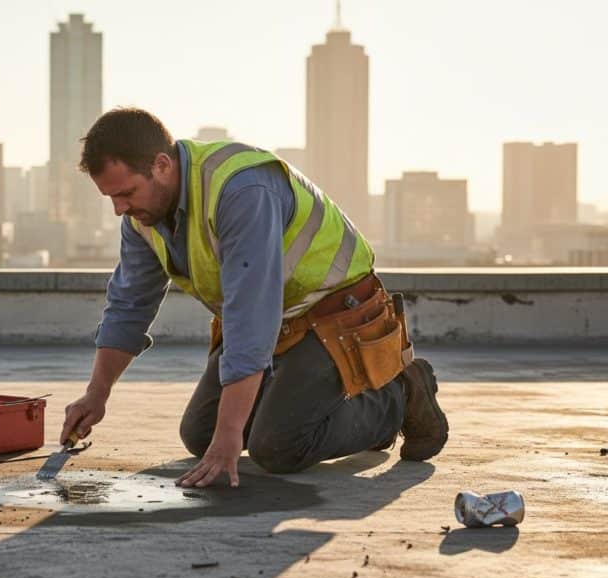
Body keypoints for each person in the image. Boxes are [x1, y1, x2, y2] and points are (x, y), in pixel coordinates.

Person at [59, 107, 448, 488]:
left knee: (277, 447)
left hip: (333, 313)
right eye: (111, 198)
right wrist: (96, 394)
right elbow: (129, 306)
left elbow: (251, 317)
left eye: (126, 193)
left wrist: (230, 434)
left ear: (161, 165)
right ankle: (310, 408)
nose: (119, 209)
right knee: (201, 435)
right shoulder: (141, 218)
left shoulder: (241, 190)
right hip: (277, 323)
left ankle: (399, 393)